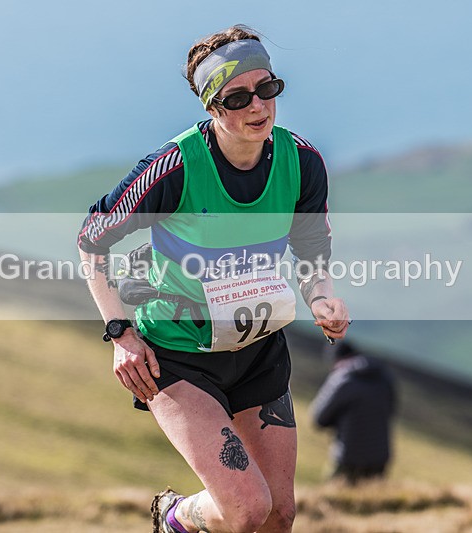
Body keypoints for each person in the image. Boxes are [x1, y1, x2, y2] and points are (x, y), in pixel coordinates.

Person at [77, 25, 349, 533]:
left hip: (258, 348)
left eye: (267, 89)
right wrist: (120, 334)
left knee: (278, 515)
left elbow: (310, 245)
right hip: (176, 356)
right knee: (246, 509)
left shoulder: (302, 162)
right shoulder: (174, 168)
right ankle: (175, 517)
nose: (257, 107)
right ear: (210, 107)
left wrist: (321, 297)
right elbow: (91, 240)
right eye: (237, 97)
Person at [310, 342, 397, 484]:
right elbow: (391, 411)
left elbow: (319, 418)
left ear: (337, 360)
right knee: (372, 502)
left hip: (347, 457)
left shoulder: (342, 379)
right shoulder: (385, 378)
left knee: (335, 501)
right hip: (380, 458)